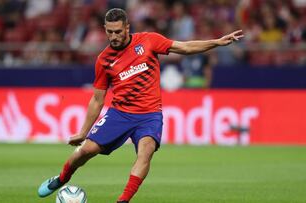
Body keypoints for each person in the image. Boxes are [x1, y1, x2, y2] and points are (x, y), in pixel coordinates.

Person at [38, 8, 243, 203]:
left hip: (149, 115)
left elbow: (185, 47)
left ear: (127, 28)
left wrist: (216, 42)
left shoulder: (149, 40)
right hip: (120, 113)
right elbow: (97, 99)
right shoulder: (103, 60)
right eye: (109, 32)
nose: (114, 36)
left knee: (146, 151)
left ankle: (123, 200)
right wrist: (83, 132)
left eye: (118, 31)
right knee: (84, 151)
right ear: (105, 30)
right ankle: (62, 178)